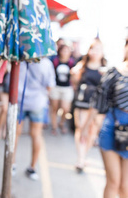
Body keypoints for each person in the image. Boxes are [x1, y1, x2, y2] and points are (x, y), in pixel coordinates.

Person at [81, 39, 128, 197]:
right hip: (112, 127)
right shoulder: (114, 72)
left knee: (125, 186)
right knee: (113, 181)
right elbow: (98, 101)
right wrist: (85, 127)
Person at [13, 58, 56, 180]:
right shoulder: (46, 63)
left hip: (19, 101)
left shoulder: (19, 59)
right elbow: (50, 85)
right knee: (36, 134)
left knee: (15, 133)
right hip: (38, 102)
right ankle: (32, 167)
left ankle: (12, 164)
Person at [71, 38, 107, 173]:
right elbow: (75, 83)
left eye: (98, 49)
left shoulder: (105, 68)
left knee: (92, 132)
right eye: (93, 49)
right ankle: (80, 159)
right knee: (81, 129)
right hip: (82, 102)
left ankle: (83, 155)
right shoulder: (82, 65)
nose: (95, 52)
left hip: (97, 105)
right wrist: (74, 75)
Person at [50, 44, 75, 135]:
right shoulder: (55, 61)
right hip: (56, 87)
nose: (65, 53)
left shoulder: (72, 63)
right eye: (63, 50)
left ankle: (61, 123)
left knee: (65, 108)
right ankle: (54, 126)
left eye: (67, 51)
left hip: (67, 88)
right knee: (54, 108)